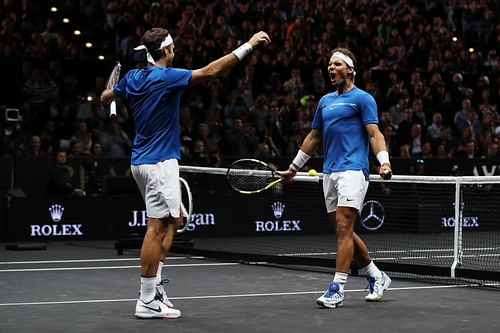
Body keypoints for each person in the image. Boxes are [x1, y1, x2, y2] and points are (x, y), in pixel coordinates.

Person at [101, 27, 270, 319]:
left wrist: (111, 90)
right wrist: (249, 46)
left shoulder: (131, 78)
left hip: (140, 163)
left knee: (174, 220)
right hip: (159, 163)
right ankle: (146, 299)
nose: (175, 50)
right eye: (173, 47)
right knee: (156, 228)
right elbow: (211, 71)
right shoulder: (165, 77)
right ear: (165, 50)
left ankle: (154, 289)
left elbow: (106, 97)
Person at [281, 48, 392, 309]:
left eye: (337, 64)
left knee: (343, 228)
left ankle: (337, 288)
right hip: (329, 172)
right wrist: (294, 167)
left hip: (354, 169)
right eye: (329, 64)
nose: (331, 68)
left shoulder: (363, 99)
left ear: (350, 70)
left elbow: (374, 134)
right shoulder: (325, 102)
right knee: (344, 230)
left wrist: (384, 162)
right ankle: (377, 275)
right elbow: (314, 137)